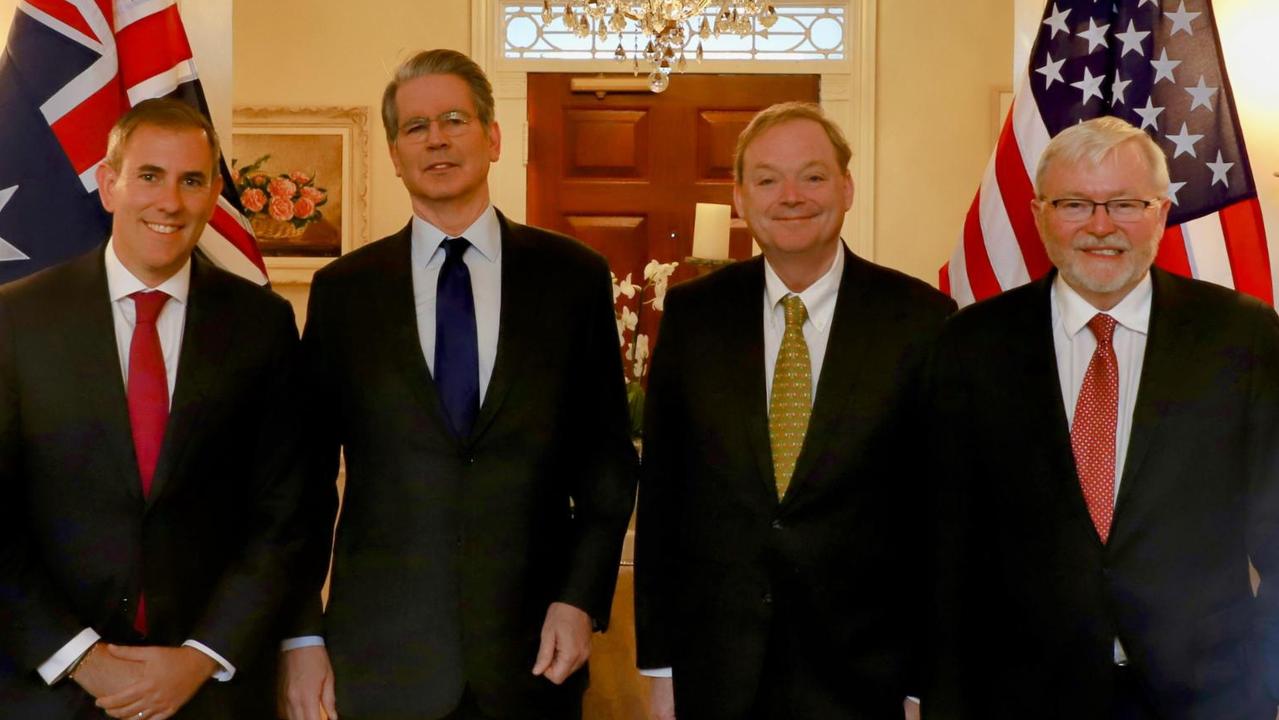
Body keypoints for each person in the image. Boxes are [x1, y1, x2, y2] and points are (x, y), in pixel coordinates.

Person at [279, 49, 637, 720]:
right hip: (379, 656)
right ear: (394, 153)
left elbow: (606, 466)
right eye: (416, 127)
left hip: (534, 651)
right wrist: (301, 632)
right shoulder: (344, 293)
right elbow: (299, 482)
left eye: (453, 120)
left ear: (492, 137)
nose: (436, 139)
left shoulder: (572, 279)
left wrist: (580, 598)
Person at [927, 116, 1279, 719]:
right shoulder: (971, 345)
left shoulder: (1241, 335)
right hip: (1021, 692)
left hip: (1210, 692)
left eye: (1125, 203)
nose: (1100, 226)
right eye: (1074, 203)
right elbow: (946, 542)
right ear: (1039, 214)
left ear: (1162, 212)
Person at [633, 101, 955, 720]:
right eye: (767, 179)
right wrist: (661, 670)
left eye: (812, 175)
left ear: (847, 187)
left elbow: (938, 519)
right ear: (740, 198)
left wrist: (922, 685)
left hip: (867, 680)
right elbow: (666, 501)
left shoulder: (921, 320)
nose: (791, 196)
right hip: (716, 674)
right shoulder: (694, 318)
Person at [0, 98, 305, 719]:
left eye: (192, 180)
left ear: (214, 192)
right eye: (149, 176)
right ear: (109, 184)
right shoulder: (16, 319)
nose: (170, 201)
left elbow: (284, 512)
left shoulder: (262, 326)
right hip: (49, 688)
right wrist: (82, 658)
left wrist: (201, 655)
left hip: (210, 691)